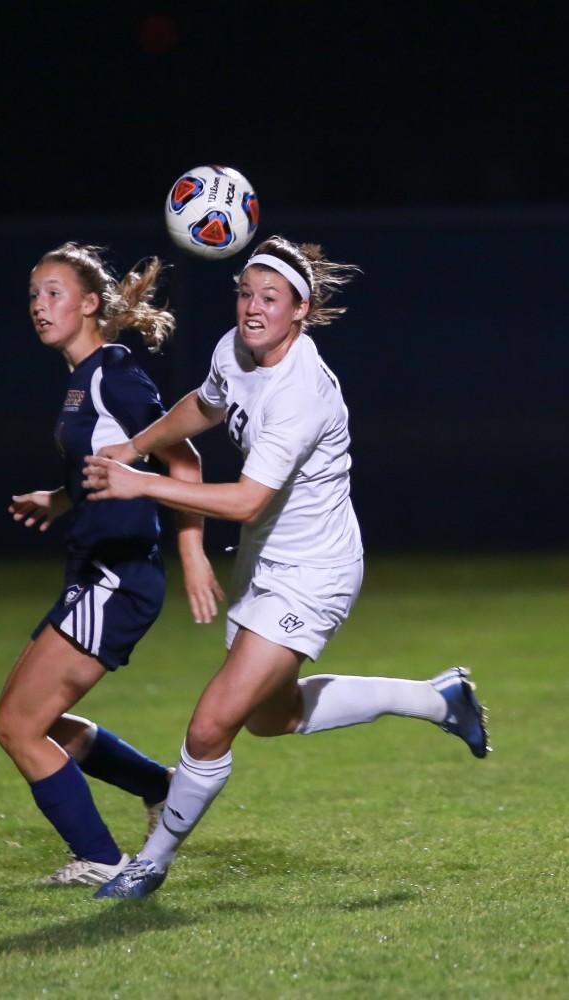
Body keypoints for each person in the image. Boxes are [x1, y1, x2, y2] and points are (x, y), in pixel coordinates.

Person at [82, 234, 491, 900]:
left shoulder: (303, 390)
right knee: (273, 718)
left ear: (299, 310)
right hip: (264, 562)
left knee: (211, 725)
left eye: (270, 298)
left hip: (313, 569)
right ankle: (437, 699)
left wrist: (143, 484)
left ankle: (148, 865)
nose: (252, 308)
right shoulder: (232, 348)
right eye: (245, 292)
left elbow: (246, 500)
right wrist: (138, 445)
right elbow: (207, 404)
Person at [0, 241, 223, 886]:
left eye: (54, 293)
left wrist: (193, 553)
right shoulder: (77, 382)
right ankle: (160, 788)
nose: (40, 306)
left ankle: (100, 861)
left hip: (118, 577)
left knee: (17, 726)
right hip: (94, 572)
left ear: (91, 304)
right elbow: (107, 465)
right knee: (35, 721)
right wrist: (61, 498)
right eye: (34, 295)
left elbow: (184, 462)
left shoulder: (112, 375)